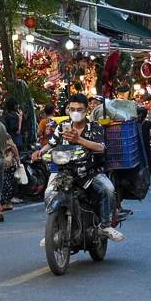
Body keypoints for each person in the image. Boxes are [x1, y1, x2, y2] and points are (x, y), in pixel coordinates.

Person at [58, 94, 122, 241]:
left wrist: (79, 139)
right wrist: (40, 152)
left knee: (108, 189)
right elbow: (52, 143)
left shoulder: (95, 127)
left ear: (86, 110)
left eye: (79, 109)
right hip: (67, 172)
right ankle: (54, 229)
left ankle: (105, 226)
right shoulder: (62, 127)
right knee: (49, 193)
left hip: (91, 172)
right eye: (72, 109)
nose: (75, 112)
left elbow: (101, 147)